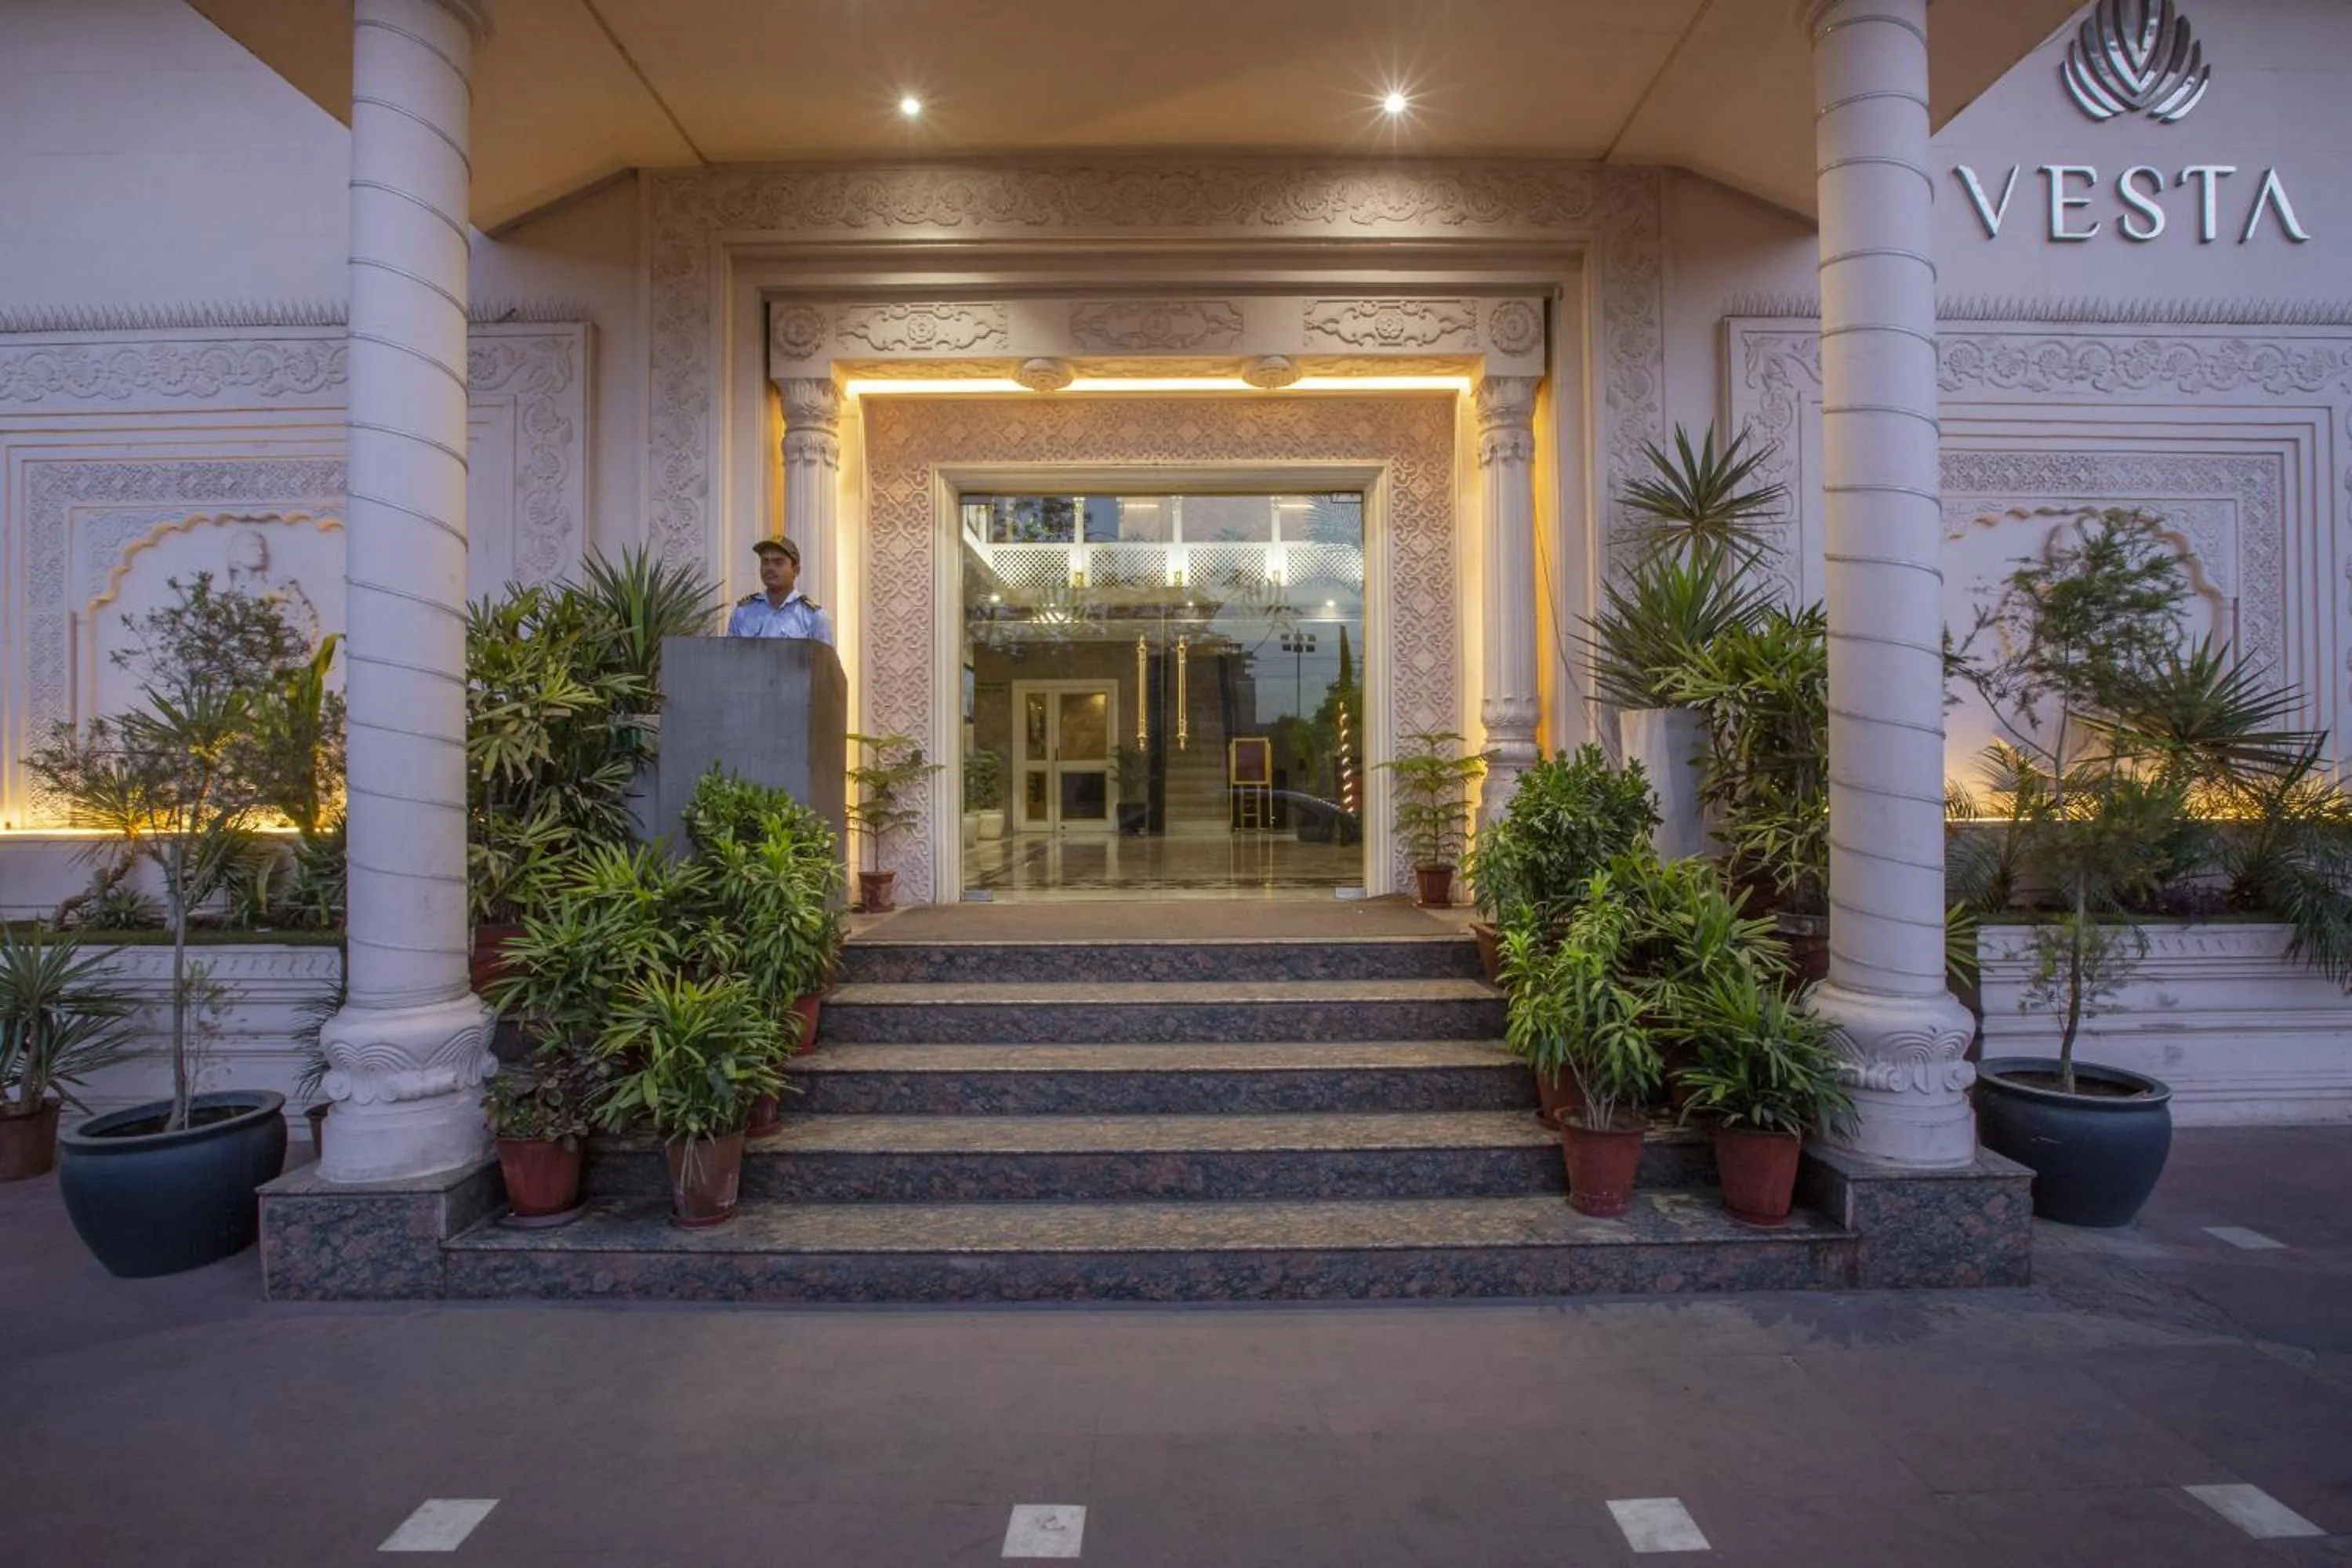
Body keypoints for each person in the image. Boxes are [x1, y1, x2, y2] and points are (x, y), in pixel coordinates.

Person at [728, 536, 833, 644]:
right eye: (765, 562)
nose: (770, 568)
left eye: (778, 563)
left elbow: (825, 661)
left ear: (796, 571)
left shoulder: (813, 617)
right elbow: (731, 658)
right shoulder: (743, 613)